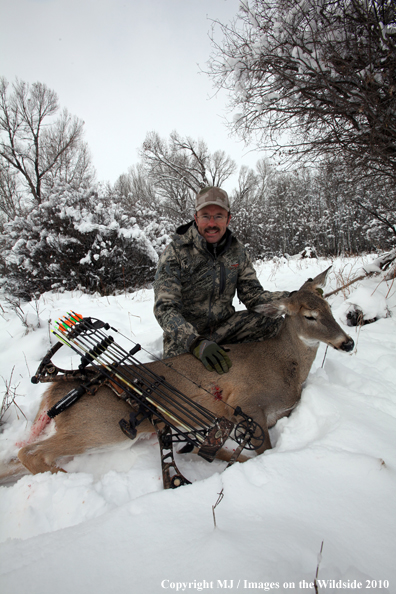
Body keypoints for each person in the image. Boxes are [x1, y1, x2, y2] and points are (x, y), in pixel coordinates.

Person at [153, 186, 289, 374]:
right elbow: (165, 308)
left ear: (228, 218)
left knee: (274, 323)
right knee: (182, 379)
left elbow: (253, 296)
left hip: (225, 329)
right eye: (205, 216)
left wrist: (293, 299)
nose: (211, 223)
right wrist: (196, 343)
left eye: (218, 216)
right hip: (188, 337)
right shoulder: (176, 252)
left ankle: (254, 368)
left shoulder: (237, 251)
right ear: (196, 218)